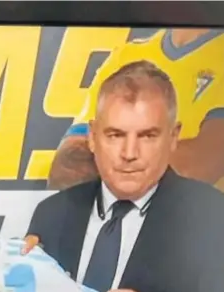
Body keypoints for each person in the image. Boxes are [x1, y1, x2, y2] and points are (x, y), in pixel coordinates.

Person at [23, 60, 224, 292]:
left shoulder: (211, 212)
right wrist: (16, 281)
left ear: (174, 136)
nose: (129, 152)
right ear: (94, 137)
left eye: (147, 135)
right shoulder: (52, 213)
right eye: (115, 135)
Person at [48, 28, 224, 191]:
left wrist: (104, 161)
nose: (129, 154)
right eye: (115, 135)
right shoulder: (126, 55)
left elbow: (198, 166)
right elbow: (68, 165)